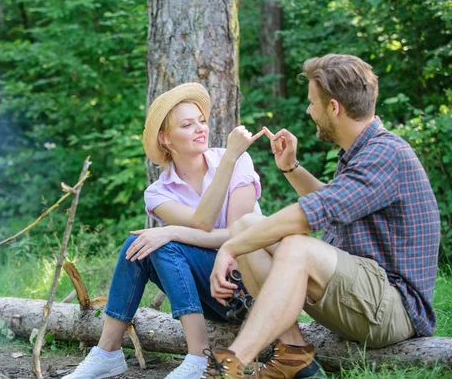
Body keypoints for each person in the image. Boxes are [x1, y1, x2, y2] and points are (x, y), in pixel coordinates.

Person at [203, 54, 440, 379]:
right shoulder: (361, 152)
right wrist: (290, 167)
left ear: (334, 107)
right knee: (247, 226)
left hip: (396, 309)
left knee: (293, 247)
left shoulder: (386, 154)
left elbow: (314, 214)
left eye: (313, 103)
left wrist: (229, 248)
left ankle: (231, 365)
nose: (308, 111)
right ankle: (292, 356)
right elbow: (332, 204)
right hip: (363, 298)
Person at [62, 82, 265, 379]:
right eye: (187, 125)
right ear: (166, 139)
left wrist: (171, 232)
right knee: (139, 244)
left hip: (250, 290)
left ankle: (199, 358)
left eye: (202, 121)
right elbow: (202, 222)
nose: (200, 129)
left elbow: (240, 236)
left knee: (160, 242)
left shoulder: (236, 160)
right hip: (212, 294)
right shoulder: (158, 194)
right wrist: (167, 234)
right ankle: (107, 352)